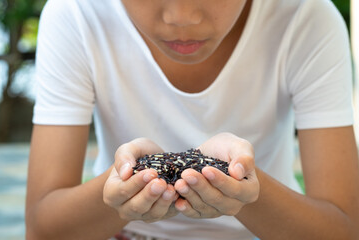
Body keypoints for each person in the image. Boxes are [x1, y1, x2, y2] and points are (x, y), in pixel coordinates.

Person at [25, 0, 359, 239]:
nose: (181, 17)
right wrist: (124, 186)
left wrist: (246, 191)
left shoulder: (305, 17)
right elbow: (42, 228)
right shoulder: (77, 13)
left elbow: (344, 229)